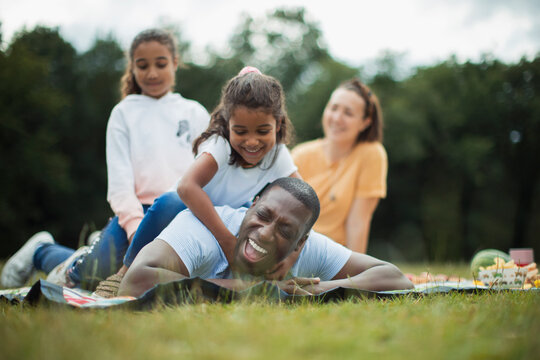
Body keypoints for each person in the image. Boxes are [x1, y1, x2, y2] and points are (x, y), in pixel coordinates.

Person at [0, 28, 209, 289]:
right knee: (90, 277)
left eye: (161, 64)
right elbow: (120, 186)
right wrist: (135, 229)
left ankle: (96, 245)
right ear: (132, 68)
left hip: (183, 212)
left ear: (175, 63)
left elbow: (209, 170)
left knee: (162, 280)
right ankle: (40, 251)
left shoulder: (195, 113)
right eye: (142, 66)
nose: (152, 73)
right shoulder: (123, 114)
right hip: (137, 214)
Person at [103, 65, 300, 291]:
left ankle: (243, 279)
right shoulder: (219, 144)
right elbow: (187, 188)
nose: (252, 141)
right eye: (241, 131)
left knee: (255, 212)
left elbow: (304, 204)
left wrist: (292, 255)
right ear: (227, 125)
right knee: (171, 202)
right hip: (184, 213)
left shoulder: (278, 154)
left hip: (222, 219)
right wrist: (227, 242)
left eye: (263, 131)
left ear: (279, 125)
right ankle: (123, 272)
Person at [118, 177, 413, 297]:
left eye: (285, 231)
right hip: (126, 244)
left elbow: (395, 278)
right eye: (263, 215)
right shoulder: (202, 229)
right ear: (253, 204)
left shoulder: (311, 248)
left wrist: (317, 290)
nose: (267, 234)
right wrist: (258, 290)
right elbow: (134, 281)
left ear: (300, 242)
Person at [291, 78, 387, 253]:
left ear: (365, 122)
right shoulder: (300, 154)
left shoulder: (371, 154)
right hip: (292, 250)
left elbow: (358, 222)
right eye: (333, 108)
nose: (337, 118)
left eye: (348, 113)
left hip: (333, 256)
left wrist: (355, 276)